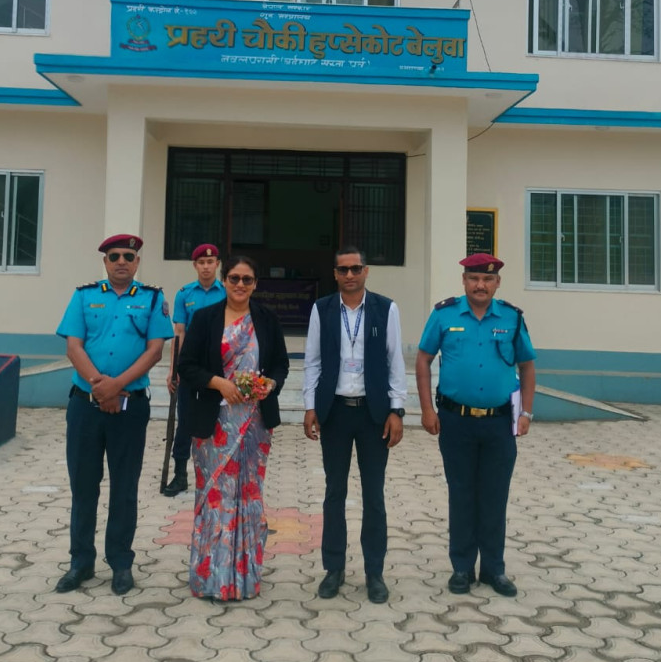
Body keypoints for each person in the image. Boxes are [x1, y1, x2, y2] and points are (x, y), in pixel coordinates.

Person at [54, 234, 174, 595]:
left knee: (124, 487)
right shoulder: (84, 296)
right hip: (85, 405)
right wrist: (99, 386)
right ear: (105, 262)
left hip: (130, 405)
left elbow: (155, 351)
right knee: (83, 486)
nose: (121, 261)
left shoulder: (152, 298)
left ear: (137, 262)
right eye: (114, 256)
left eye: (128, 256)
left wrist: (116, 385)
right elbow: (73, 346)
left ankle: (121, 562)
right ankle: (81, 562)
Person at [415, 253, 536, 598]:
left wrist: (526, 413)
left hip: (499, 423)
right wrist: (426, 410)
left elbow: (527, 366)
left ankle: (494, 569)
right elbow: (423, 359)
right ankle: (462, 568)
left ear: (497, 283)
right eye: (473, 279)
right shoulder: (444, 314)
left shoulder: (511, 318)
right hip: (456, 422)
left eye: (487, 279)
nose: (480, 285)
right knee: (462, 494)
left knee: (495, 496)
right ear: (464, 281)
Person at [177, 254, 289, 600]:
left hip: (254, 424)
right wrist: (219, 383)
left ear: (255, 284)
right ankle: (211, 578)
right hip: (214, 423)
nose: (240, 285)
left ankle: (244, 577)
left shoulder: (267, 319)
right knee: (215, 497)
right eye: (234, 278)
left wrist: (270, 384)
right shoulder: (205, 318)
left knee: (248, 497)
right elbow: (187, 366)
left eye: (247, 279)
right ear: (224, 281)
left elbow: (281, 365)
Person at [302, 246, 407, 604]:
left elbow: (395, 361)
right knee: (335, 493)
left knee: (374, 495)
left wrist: (397, 410)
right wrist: (310, 406)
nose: (350, 275)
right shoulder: (322, 309)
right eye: (343, 270)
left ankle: (374, 572)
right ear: (334, 273)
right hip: (335, 412)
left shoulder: (386, 308)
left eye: (356, 268)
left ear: (366, 271)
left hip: (373, 414)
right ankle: (334, 569)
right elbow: (313, 361)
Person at [162, 243, 226, 497]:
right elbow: (179, 333)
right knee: (185, 420)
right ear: (195, 266)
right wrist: (174, 369)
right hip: (191, 364)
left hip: (219, 365)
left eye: (210, 262)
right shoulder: (184, 294)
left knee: (221, 419)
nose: (206, 267)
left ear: (217, 264)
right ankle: (180, 474)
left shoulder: (227, 292)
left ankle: (219, 473)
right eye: (201, 263)